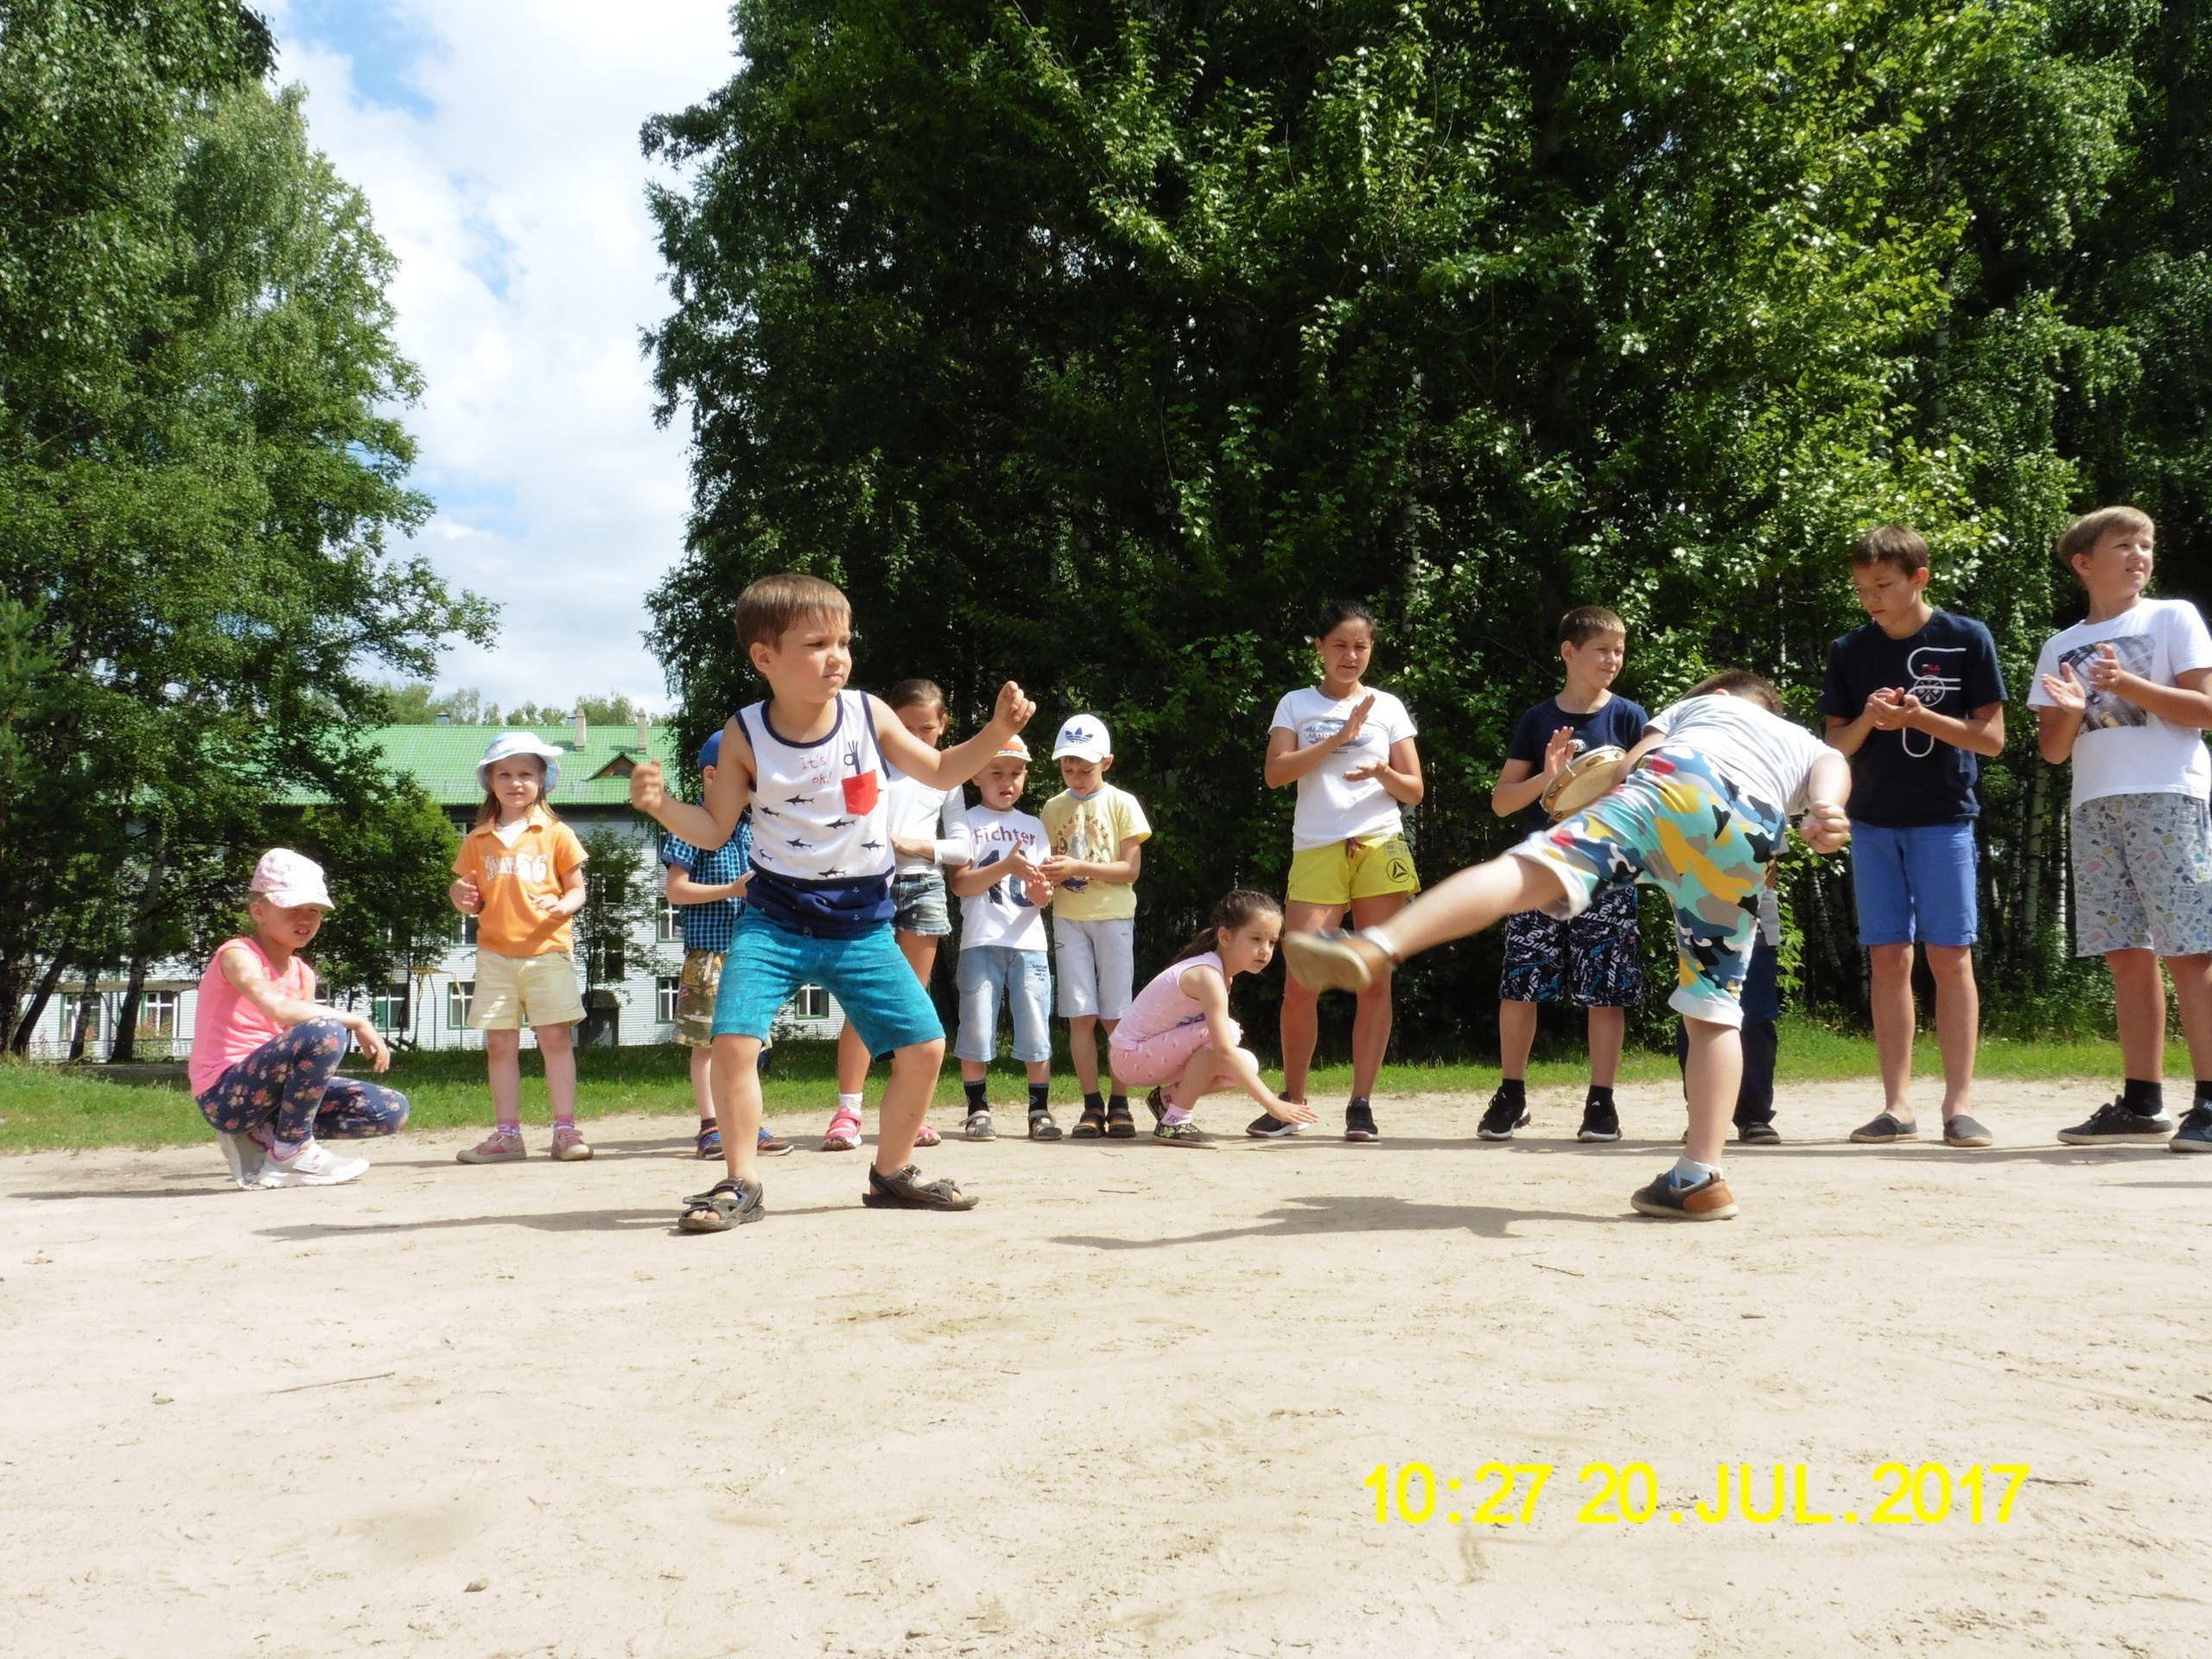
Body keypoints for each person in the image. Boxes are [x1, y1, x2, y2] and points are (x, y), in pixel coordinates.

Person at [1283, 672, 1851, 1222]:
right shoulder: (1800, 743)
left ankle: (1378, 943)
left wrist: (1580, 800)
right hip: (1747, 833)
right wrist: (1827, 811)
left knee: (1525, 874)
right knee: (1714, 1009)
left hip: (1675, 786)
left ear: (1720, 694)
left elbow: (1629, 766)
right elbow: (1834, 770)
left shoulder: (1696, 708)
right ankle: (1700, 1175)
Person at [626, 571, 1037, 1229]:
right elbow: (713, 828)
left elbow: (938, 769)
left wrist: (993, 732)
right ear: (765, 657)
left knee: (926, 1047)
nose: (838, 655)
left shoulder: (868, 713)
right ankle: (740, 1184)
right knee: (733, 1042)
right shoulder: (744, 734)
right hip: (774, 921)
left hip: (862, 926)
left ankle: (891, 1172)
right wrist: (661, 807)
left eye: (844, 641)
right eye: (817, 643)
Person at [2031, 505, 2212, 1153]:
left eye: (2146, 545)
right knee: (2125, 954)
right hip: (2094, 805)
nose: (2139, 555)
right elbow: (2053, 750)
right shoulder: (2059, 645)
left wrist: (2129, 681)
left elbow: (2204, 710)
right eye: (2123, 545)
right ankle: (2142, 1102)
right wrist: (2073, 709)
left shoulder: (2172, 618)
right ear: (2084, 564)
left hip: (2168, 795)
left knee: (2190, 949)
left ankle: (2211, 1101)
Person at [1819, 524, 2005, 1148]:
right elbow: (1832, 748)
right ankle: (1896, 1106)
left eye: (1883, 585)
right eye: (1861, 587)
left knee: (1950, 957)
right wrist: (1872, 721)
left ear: (1918, 578)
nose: (1870, 597)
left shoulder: (1965, 637)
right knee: (1887, 958)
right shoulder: (1849, 650)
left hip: (1945, 819)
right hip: (1872, 822)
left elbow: (1992, 740)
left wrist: (1920, 716)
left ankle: (1960, 1106)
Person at [1484, 605, 1651, 1142]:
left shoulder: (1631, 717)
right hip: (1541, 867)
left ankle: (1601, 1104)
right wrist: (1549, 779)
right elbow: (1502, 803)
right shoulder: (1537, 720)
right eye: (1602, 649)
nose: (1613, 659)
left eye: (1619, 651)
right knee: (1521, 982)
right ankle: (1512, 1094)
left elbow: (1651, 791)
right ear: (1569, 653)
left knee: (1607, 989)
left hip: (1607, 868)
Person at [1262, 599, 1425, 1143]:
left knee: (1375, 979)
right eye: (1340, 645)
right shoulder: (1295, 704)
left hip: (1380, 845)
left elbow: (1414, 790)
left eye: (1361, 646)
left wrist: (1382, 769)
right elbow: (1275, 775)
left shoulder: (1390, 707)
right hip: (1316, 848)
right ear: (1320, 648)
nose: (1351, 655)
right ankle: (1292, 1102)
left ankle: (1361, 1104)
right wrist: (1337, 737)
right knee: (1301, 979)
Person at [188, 849, 410, 1188]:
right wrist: (357, 1020)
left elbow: (300, 1054)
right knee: (327, 1031)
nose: (305, 919)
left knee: (391, 1109)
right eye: (293, 909)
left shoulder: (303, 974)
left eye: (314, 910)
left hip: (268, 1095)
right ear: (258, 911)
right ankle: (291, 1152)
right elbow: (275, 1008)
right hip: (224, 1096)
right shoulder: (237, 954)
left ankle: (269, 1138)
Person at [825, 678, 970, 1153]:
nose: (915, 738)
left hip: (924, 884)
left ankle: (914, 1113)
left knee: (912, 1000)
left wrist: (915, 845)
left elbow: (963, 847)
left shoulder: (947, 777)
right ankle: (848, 1109)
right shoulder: (868, 764)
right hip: (870, 884)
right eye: (904, 728)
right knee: (863, 996)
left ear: (942, 724)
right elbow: (845, 825)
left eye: (926, 729)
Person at [449, 732, 591, 1165]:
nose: (516, 783)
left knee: (554, 1037)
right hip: (494, 955)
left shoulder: (556, 833)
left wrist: (561, 905)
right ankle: (507, 1135)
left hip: (547, 951)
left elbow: (578, 891)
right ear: (489, 781)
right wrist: (460, 895)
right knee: (500, 1043)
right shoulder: (477, 839)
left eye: (526, 774)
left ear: (543, 779)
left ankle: (565, 1130)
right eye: (505, 774)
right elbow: (464, 892)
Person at [662, 730, 790, 1160]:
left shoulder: (758, 831)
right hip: (709, 956)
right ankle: (711, 1126)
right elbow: (675, 891)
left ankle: (745, 1123)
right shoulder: (691, 828)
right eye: (747, 780)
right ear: (713, 775)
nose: (754, 791)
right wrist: (731, 891)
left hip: (753, 954)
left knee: (745, 1044)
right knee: (706, 1044)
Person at [1112, 890, 1319, 1146]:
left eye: (1272, 942)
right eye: (1255, 938)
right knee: (1227, 1035)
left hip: (1145, 1056)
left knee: (1247, 1063)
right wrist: (1274, 1105)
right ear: (1225, 936)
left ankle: (1168, 1100)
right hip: (1129, 1058)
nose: (1265, 950)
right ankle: (1175, 1122)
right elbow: (1221, 1049)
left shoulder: (1221, 975)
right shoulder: (1208, 976)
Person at [1039, 713, 1152, 1139]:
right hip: (1069, 919)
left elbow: (1129, 870)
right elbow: (1048, 864)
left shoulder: (1122, 803)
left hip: (1113, 918)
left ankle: (1121, 1103)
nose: (1075, 776)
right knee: (1080, 1016)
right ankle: (1091, 1105)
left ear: (1106, 762)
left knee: (1116, 1017)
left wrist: (1078, 866)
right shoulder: (1053, 808)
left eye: (1084, 769)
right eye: (1067, 768)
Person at [950, 734, 1059, 1141]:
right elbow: (960, 884)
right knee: (976, 1026)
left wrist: (1041, 893)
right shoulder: (966, 821)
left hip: (1029, 943)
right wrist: (1007, 865)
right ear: (977, 774)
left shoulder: (1033, 826)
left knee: (1035, 1026)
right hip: (980, 941)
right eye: (996, 772)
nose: (1006, 781)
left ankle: (1039, 1109)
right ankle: (977, 1109)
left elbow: (1039, 892)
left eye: (1016, 773)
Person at [1674, 876, 1783, 1144]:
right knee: (1698, 1016)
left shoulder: (1765, 829)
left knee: (1756, 1019)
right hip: (1697, 922)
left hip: (1755, 927)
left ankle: (1754, 1116)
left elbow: (1770, 872)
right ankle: (1702, 1114)